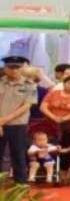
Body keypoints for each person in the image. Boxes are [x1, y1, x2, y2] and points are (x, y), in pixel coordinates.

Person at [0, 55, 41, 184]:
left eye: (17, 67)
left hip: (18, 125)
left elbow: (26, 106)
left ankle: (21, 187)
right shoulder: (1, 82)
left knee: (18, 156)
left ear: (22, 68)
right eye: (10, 67)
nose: (14, 70)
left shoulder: (30, 85)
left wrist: (3, 120)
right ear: (5, 68)